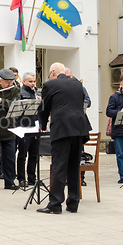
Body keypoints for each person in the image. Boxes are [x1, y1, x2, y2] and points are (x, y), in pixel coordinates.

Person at [37, 62, 90, 214]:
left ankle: (55, 204)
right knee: (74, 166)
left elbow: (44, 108)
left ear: (52, 72)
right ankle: (73, 204)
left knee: (59, 167)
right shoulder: (77, 84)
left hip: (62, 129)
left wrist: (42, 124)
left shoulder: (50, 85)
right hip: (79, 129)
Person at [65, 66, 92, 186]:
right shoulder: (60, 87)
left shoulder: (79, 86)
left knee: (80, 152)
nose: (68, 79)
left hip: (79, 124)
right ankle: (66, 177)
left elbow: (88, 101)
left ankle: (81, 178)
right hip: (65, 124)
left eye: (70, 76)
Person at [16, 72, 41, 187]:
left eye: (34, 81)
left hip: (35, 126)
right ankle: (21, 178)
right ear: (24, 82)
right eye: (30, 81)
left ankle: (32, 178)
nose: (33, 83)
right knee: (22, 154)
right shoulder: (20, 93)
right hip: (24, 127)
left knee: (34, 154)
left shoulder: (36, 93)